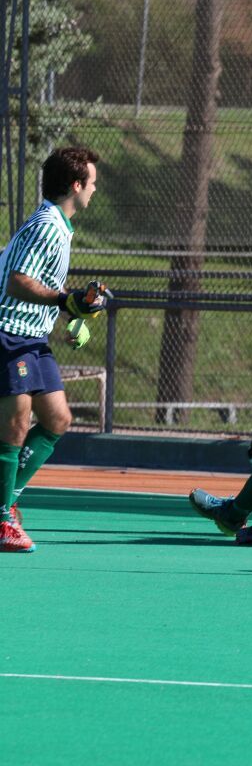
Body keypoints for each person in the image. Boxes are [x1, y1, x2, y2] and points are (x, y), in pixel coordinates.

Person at [0, 146, 109, 553]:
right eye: (92, 183)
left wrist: (76, 307)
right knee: (13, 426)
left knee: (58, 419)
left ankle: (6, 502)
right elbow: (17, 282)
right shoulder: (47, 224)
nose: (95, 190)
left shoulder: (60, 227)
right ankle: (1, 519)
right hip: (9, 332)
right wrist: (65, 302)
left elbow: (41, 285)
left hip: (32, 337)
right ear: (76, 185)